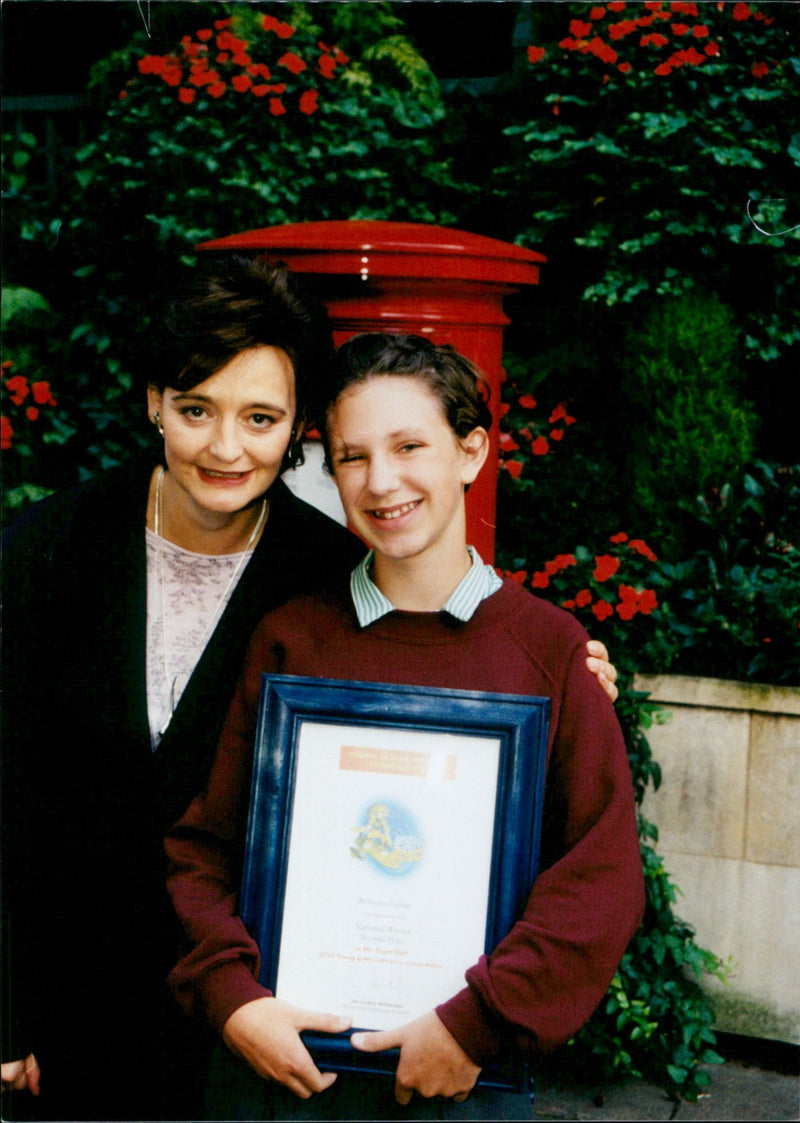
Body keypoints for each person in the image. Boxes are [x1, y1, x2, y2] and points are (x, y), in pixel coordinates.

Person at [1, 265, 616, 1122]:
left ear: (296, 430)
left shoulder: (326, 576)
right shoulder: (42, 549)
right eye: (196, 409)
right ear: (154, 404)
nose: (226, 447)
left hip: (254, 1031)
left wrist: (562, 677)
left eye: (260, 417)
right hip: (66, 1013)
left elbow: (455, 681)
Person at [164, 333, 645, 1120]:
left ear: (471, 451)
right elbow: (205, 846)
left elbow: (602, 875)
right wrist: (232, 997)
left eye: (409, 445)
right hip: (280, 1083)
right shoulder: (292, 638)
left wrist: (475, 1024)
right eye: (351, 456)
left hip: (461, 1085)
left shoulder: (549, 651)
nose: (381, 480)